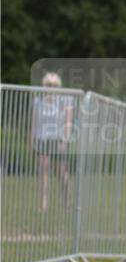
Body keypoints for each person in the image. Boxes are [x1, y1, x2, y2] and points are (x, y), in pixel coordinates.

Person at [31, 73, 73, 212]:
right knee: (43, 170)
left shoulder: (65, 101)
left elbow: (68, 122)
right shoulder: (38, 101)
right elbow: (34, 123)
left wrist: (64, 139)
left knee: (61, 173)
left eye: (54, 85)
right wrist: (32, 140)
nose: (51, 88)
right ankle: (43, 204)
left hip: (57, 140)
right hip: (43, 139)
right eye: (49, 85)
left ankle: (67, 202)